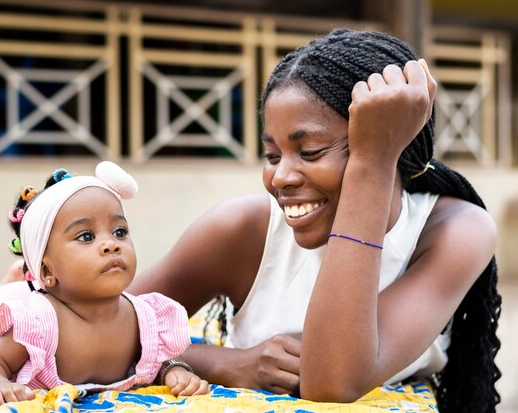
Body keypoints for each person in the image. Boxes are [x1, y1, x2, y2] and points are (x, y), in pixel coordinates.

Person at [127, 28, 502, 412]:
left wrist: (371, 164)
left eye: (309, 151)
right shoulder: (242, 230)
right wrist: (228, 363)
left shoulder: (454, 230)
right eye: (273, 156)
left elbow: (332, 381)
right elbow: (96, 326)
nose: (282, 177)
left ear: (391, 143)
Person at [0, 162, 209, 412]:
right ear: (48, 271)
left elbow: (156, 358)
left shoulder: (143, 316)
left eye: (119, 231)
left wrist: (175, 371)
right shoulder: (36, 323)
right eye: (86, 237)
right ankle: (14, 282)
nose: (111, 244)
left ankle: (22, 278)